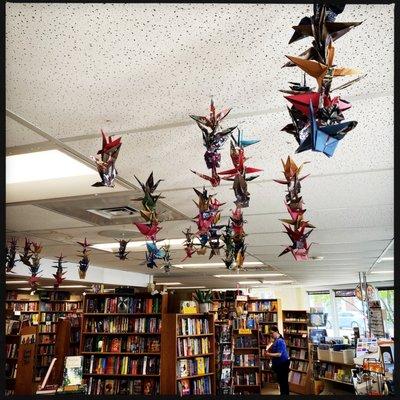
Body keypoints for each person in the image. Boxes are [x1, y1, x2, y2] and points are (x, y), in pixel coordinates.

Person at [265, 325, 290, 395]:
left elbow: (279, 354)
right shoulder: (276, 340)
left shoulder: (280, 341)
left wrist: (269, 354)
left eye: (272, 333)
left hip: (283, 364)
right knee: (282, 382)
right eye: (270, 333)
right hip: (280, 364)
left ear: (276, 332)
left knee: (283, 382)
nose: (271, 335)